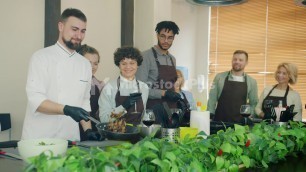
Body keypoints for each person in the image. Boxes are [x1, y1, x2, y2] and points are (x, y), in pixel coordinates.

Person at [22, 8, 100, 141]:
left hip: (70, 138)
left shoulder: (85, 64)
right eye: (74, 29)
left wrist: (88, 130)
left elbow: (84, 102)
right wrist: (66, 109)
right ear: (61, 26)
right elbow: (36, 101)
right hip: (40, 138)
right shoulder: (41, 57)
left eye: (83, 31)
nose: (79, 36)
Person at [135, 21, 181, 124]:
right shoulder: (145, 56)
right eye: (162, 36)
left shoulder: (172, 59)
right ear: (157, 35)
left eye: (170, 38)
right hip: (153, 111)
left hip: (171, 110)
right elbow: (141, 88)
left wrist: (178, 98)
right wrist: (164, 93)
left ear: (174, 38)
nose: (165, 41)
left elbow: (172, 85)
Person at [98, 47, 149, 125]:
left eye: (132, 63)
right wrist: (124, 106)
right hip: (115, 135)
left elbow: (143, 118)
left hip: (137, 135)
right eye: (124, 63)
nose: (128, 67)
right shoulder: (109, 88)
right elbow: (104, 119)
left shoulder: (144, 87)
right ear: (119, 65)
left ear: (137, 64)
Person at [207, 50, 258, 123]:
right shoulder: (219, 77)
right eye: (235, 59)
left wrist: (250, 114)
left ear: (246, 63)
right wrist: (209, 116)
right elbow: (212, 98)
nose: (237, 62)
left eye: (240, 60)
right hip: (219, 121)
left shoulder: (252, 82)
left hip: (240, 124)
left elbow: (254, 103)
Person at [78, 44, 105, 141]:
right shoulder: (73, 83)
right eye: (88, 63)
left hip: (92, 130)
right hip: (76, 130)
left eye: (95, 63)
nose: (92, 67)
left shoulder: (98, 84)